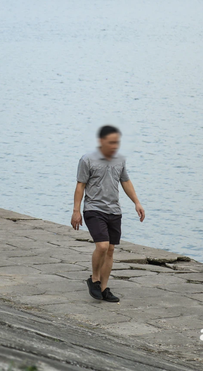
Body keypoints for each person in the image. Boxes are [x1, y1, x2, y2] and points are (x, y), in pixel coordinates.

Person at [71, 125, 145, 303]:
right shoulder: (87, 159)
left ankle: (103, 289)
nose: (114, 146)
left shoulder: (120, 160)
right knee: (102, 246)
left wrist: (137, 202)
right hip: (94, 209)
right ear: (101, 141)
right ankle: (94, 280)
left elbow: (125, 181)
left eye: (117, 142)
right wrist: (76, 211)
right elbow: (80, 185)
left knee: (110, 250)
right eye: (111, 142)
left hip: (114, 210)